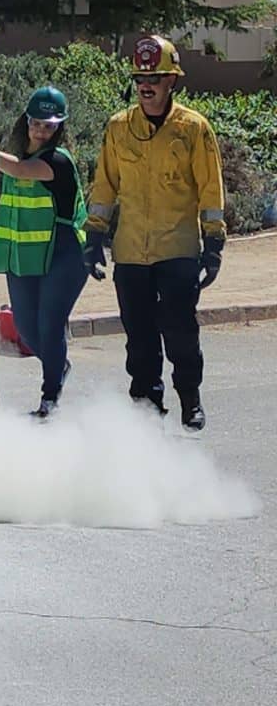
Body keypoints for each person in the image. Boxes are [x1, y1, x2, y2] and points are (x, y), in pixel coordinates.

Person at [84, 35, 225, 431]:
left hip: (178, 249)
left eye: (156, 77)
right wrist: (94, 237)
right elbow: (104, 187)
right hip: (130, 252)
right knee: (140, 337)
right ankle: (146, 403)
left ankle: (190, 399)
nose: (146, 85)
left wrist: (213, 243)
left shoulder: (194, 129)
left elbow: (210, 189)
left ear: (171, 82)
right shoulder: (118, 128)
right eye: (140, 78)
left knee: (180, 331)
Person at [0, 86, 88, 418]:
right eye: (36, 123)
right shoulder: (21, 155)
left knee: (49, 322)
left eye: (49, 125)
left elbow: (21, 171)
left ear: (59, 127)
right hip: (25, 252)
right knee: (27, 328)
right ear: (26, 120)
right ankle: (59, 365)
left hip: (65, 252)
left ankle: (50, 398)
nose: (41, 130)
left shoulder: (57, 160)